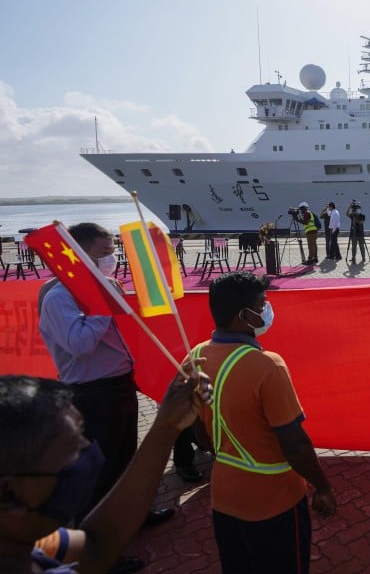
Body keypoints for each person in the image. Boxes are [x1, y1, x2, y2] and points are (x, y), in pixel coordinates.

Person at [188, 271, 337, 574]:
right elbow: (294, 444)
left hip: (224, 498)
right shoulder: (267, 365)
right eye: (262, 303)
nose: (267, 309)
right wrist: (322, 486)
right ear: (245, 315)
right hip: (274, 502)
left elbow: (200, 434)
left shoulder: (196, 357)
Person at [37, 223, 175, 537]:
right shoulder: (60, 297)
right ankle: (98, 543)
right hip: (92, 392)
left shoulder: (105, 284)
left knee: (126, 459)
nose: (111, 260)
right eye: (104, 253)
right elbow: (80, 345)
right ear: (79, 256)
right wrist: (104, 304)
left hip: (120, 383)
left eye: (113, 252)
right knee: (99, 469)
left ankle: (133, 515)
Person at [0, 371, 210, 574]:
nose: (88, 458)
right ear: (8, 494)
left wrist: (167, 426)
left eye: (83, 437)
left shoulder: (33, 543)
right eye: (72, 455)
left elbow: (96, 545)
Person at [345, 200, 367, 264]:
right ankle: (353, 258)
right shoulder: (352, 215)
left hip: (360, 233)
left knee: (361, 246)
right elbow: (346, 213)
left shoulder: (362, 215)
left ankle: (363, 257)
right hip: (353, 234)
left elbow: (361, 222)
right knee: (353, 247)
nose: (355, 210)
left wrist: (355, 219)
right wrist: (349, 206)